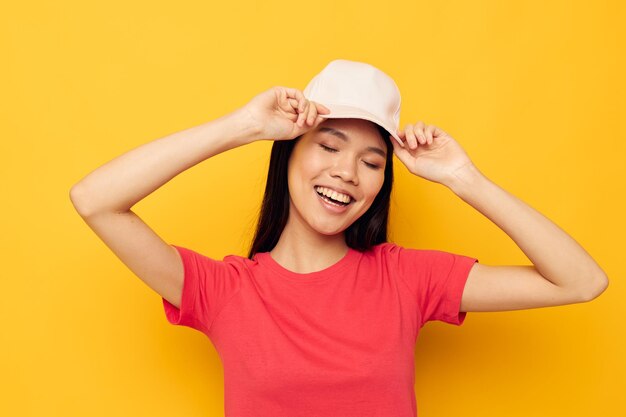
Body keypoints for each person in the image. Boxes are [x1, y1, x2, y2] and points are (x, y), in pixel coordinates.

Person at [70, 59, 609, 417]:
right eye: (328, 147)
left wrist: (462, 177)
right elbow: (95, 199)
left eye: (372, 161)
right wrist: (244, 127)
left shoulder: (406, 277)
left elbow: (581, 281)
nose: (348, 173)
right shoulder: (224, 289)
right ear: (290, 154)